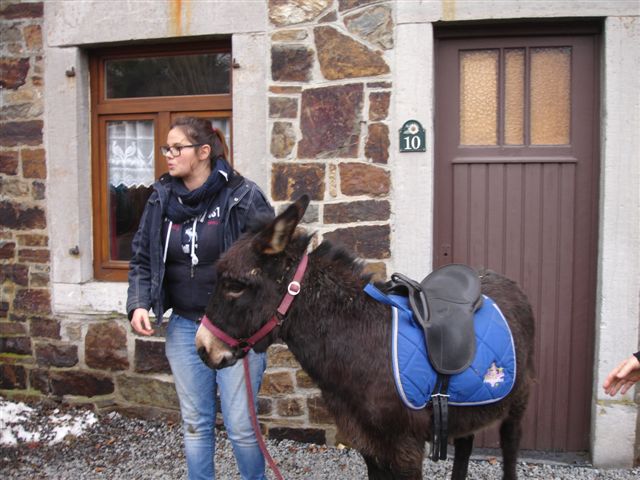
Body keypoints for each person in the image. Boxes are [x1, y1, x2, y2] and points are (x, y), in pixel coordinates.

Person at [126, 116, 274, 480]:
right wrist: (139, 302)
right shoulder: (161, 198)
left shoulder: (242, 196)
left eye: (177, 148)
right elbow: (143, 256)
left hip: (233, 330)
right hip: (184, 326)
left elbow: (273, 260)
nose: (168, 154)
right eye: (167, 147)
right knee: (195, 423)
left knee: (241, 425)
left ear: (204, 152)